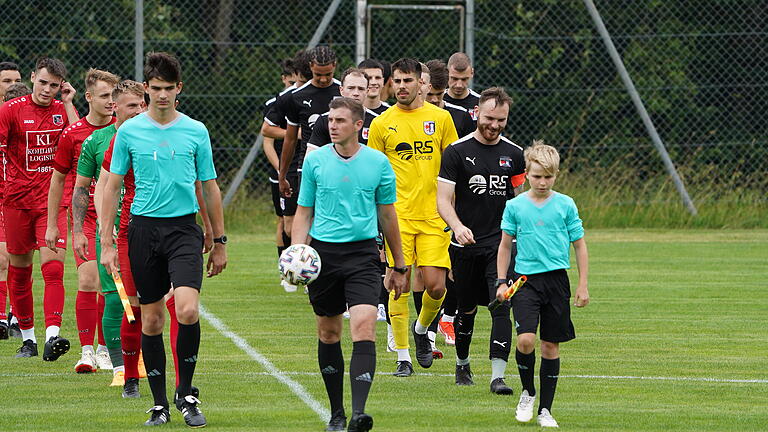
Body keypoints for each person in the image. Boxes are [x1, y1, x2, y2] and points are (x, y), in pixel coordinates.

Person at [100, 52, 227, 427]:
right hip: (143, 230)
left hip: (184, 230)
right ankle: (159, 404)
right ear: (146, 89)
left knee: (187, 309)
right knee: (152, 320)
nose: (162, 95)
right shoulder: (130, 131)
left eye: (169, 89)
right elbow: (112, 186)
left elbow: (209, 186)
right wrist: (107, 242)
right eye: (155, 89)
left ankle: (186, 393)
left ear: (179, 89)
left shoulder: (195, 130)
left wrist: (218, 239)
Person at [292, 97, 406, 432]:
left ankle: (358, 414)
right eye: (331, 119)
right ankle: (337, 412)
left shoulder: (378, 163)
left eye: (340, 120)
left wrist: (398, 264)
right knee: (329, 332)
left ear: (358, 125)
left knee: (364, 327)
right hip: (324, 256)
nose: (333, 125)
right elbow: (304, 212)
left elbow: (387, 215)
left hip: (363, 255)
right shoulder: (315, 163)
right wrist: (299, 252)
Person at [367, 58, 458, 376]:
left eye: (408, 80)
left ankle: (422, 331)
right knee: (399, 285)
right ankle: (403, 357)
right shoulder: (381, 124)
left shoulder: (441, 119)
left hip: (434, 217)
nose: (402, 86)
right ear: (391, 84)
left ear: (421, 83)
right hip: (398, 219)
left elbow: (454, 169)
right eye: (397, 81)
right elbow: (373, 178)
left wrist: (455, 217)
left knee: (435, 286)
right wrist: (378, 227)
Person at [437, 87, 526, 394]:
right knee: (466, 310)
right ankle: (462, 363)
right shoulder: (456, 152)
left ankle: (497, 377)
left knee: (502, 305)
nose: (495, 125)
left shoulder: (514, 155)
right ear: (477, 113)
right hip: (465, 246)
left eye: (501, 120)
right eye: (490, 118)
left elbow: (519, 201)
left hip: (501, 246)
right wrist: (457, 227)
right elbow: (443, 201)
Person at [495, 142, 589, 428]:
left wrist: (582, 285)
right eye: (537, 176)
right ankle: (528, 392)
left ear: (556, 175)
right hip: (525, 282)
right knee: (525, 340)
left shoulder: (565, 204)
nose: (542, 182)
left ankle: (545, 410)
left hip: (557, 281)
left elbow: (580, 246)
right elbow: (504, 247)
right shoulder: (515, 206)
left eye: (548, 176)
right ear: (527, 174)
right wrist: (501, 281)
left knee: (550, 346)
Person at [0, 57, 79, 359]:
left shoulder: (62, 111)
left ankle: (52, 337)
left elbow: (81, 140)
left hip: (52, 202)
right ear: (32, 77)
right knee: (20, 273)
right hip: (17, 202)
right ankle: (29, 340)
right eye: (43, 82)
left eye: (54, 85)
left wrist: (69, 102)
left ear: (62, 86)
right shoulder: (10, 110)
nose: (47, 89)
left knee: (54, 268)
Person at [46, 68, 119, 372]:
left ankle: (105, 349)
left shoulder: (123, 130)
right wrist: (54, 225)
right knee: (88, 280)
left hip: (117, 216)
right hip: (85, 217)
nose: (111, 102)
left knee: (109, 286)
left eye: (115, 96)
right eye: (105, 96)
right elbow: (58, 181)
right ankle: (86, 351)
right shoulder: (73, 134)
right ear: (89, 97)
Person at [74, 79, 145, 388]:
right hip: (113, 231)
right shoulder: (97, 141)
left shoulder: (151, 135)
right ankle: (120, 367)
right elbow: (87, 188)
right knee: (117, 299)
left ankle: (137, 359)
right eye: (133, 105)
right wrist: (94, 229)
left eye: (142, 104)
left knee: (146, 300)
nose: (140, 111)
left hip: (146, 228)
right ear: (115, 107)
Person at [262, 50, 312, 292]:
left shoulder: (329, 95)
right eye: (293, 80)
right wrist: (280, 168)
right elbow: (267, 135)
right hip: (289, 168)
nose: (297, 85)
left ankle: (308, 270)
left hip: (313, 165)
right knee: (288, 224)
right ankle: (290, 269)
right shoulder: (282, 100)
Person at [277, 45, 340, 202]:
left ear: (335, 66)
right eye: (318, 74)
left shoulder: (344, 92)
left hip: (340, 166)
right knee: (308, 219)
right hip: (308, 167)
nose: (323, 79)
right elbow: (290, 139)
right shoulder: (297, 96)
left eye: (328, 74)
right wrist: (282, 175)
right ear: (311, 66)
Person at [0, 67, 26, 340]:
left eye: (17, 81)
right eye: (6, 81)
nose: (12, 86)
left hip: (17, 198)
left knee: (14, 257)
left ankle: (16, 318)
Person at [307, 68, 372, 150]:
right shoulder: (324, 120)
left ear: (367, 91)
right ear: (341, 90)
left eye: (361, 89)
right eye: (351, 88)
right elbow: (310, 157)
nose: (356, 93)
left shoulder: (376, 121)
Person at [443, 52, 481, 126]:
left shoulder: (481, 103)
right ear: (447, 73)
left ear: (472, 73)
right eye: (454, 79)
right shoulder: (437, 100)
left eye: (464, 79)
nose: (459, 85)